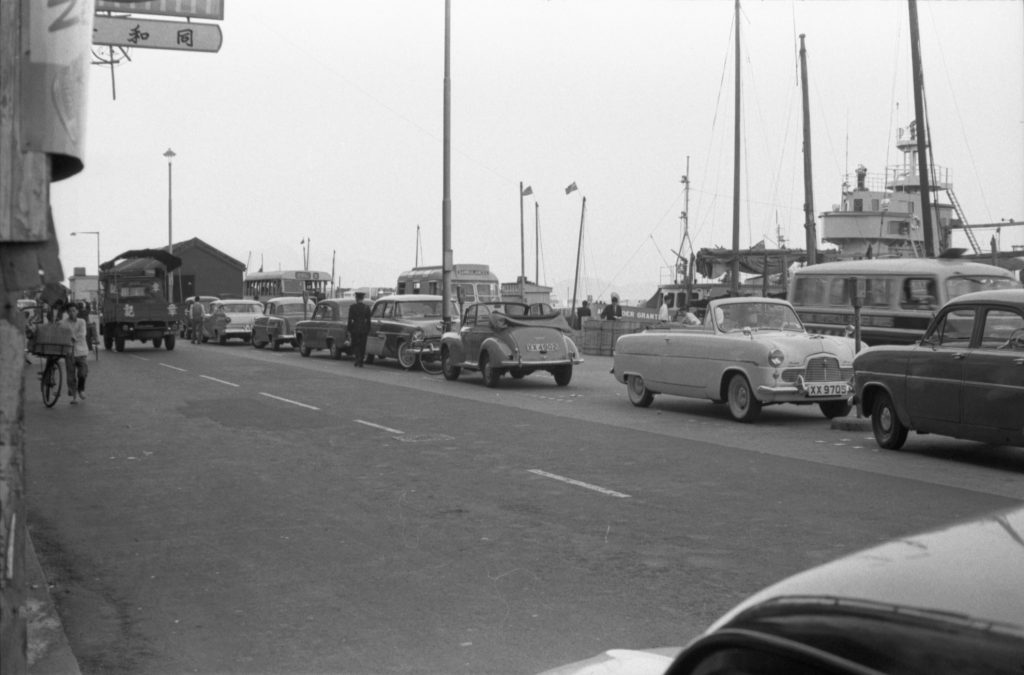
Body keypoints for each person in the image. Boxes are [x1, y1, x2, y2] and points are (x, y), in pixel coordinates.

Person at [62, 303, 90, 404]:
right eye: (70, 311)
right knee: (71, 376)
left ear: (77, 311)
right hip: (69, 352)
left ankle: (81, 389)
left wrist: (72, 336)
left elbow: (82, 334)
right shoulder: (64, 323)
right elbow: (61, 333)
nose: (72, 313)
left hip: (81, 351)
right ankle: (74, 396)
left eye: (74, 310)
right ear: (67, 312)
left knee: (83, 372)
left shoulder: (82, 322)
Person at [346, 291, 372, 367]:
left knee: (356, 344)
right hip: (364, 329)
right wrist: (368, 329)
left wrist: (349, 329)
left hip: (355, 328)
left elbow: (350, 319)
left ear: (356, 298)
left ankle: (357, 359)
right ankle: (361, 361)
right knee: (362, 345)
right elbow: (369, 320)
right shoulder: (367, 307)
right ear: (363, 298)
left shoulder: (352, 307)